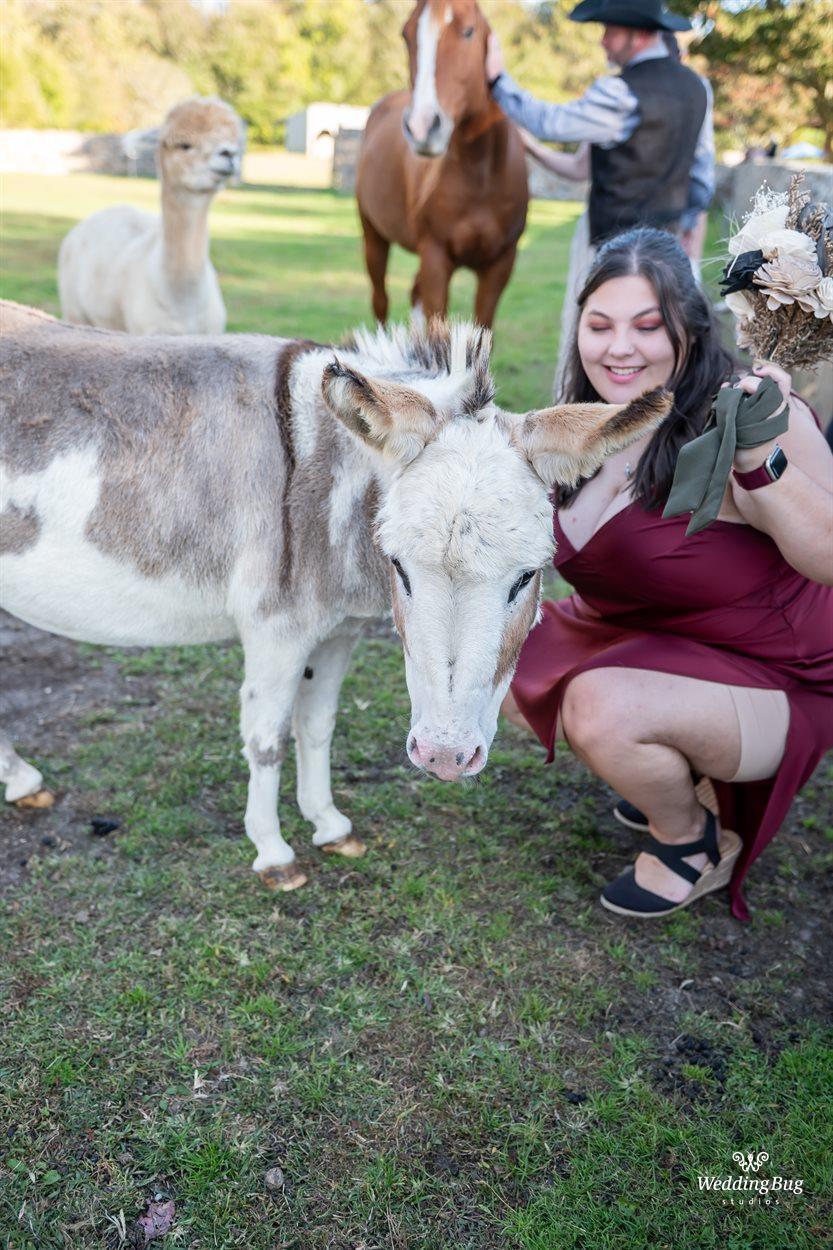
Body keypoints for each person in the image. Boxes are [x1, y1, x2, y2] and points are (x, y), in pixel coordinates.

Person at [502, 228, 833, 921]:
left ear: (689, 326)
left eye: (646, 327)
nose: (618, 347)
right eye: (599, 325)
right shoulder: (589, 421)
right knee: (491, 652)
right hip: (659, 639)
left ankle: (689, 840)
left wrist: (758, 463)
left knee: (600, 708)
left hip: (784, 671)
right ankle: (676, 771)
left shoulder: (748, 414)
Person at [486, 0, 715, 396]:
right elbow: (701, 173)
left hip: (609, 246)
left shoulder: (619, 92)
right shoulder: (699, 88)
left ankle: (576, 422)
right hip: (670, 250)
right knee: (665, 359)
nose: (603, 41)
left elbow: (550, 121)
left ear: (640, 34)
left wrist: (497, 81)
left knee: (589, 345)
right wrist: (690, 237)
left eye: (611, 30)